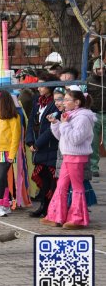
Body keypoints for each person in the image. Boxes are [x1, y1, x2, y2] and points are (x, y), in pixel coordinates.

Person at [43, 89, 96, 229]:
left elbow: (75, 138)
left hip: (76, 156)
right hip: (68, 154)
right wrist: (55, 123)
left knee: (77, 186)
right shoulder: (71, 115)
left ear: (77, 102)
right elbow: (62, 136)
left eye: (67, 100)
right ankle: (56, 215)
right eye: (63, 100)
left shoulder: (83, 117)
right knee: (61, 185)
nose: (63, 103)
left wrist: (64, 124)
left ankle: (77, 218)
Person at [25, 72, 60, 218]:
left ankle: (49, 208)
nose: (39, 87)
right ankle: (44, 207)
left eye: (42, 84)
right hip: (38, 147)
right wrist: (30, 141)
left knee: (51, 180)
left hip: (50, 146)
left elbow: (51, 129)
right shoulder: (37, 101)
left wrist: (38, 144)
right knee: (44, 178)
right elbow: (32, 121)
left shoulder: (56, 103)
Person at [0, 91, 21, 217]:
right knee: (1, 179)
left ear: (4, 102)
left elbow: (16, 138)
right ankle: (6, 204)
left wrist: (12, 154)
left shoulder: (14, 117)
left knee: (1, 177)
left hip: (6, 152)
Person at [87, 58, 104, 178]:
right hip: (95, 113)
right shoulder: (89, 81)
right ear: (94, 69)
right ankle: (93, 167)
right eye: (98, 69)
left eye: (103, 68)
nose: (101, 71)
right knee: (94, 142)